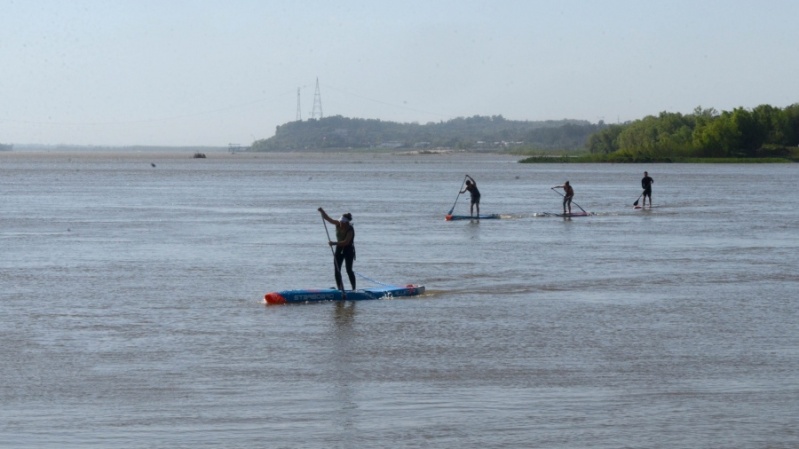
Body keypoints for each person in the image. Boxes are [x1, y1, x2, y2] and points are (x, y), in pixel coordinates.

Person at [318, 208, 356, 292]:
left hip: (348, 249)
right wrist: (322, 211)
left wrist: (334, 243)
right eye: (340, 222)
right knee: (337, 270)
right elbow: (328, 219)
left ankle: (354, 289)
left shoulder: (350, 230)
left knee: (349, 270)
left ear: (346, 223)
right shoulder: (338, 224)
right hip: (339, 248)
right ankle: (340, 289)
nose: (340, 223)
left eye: (342, 222)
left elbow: (346, 242)